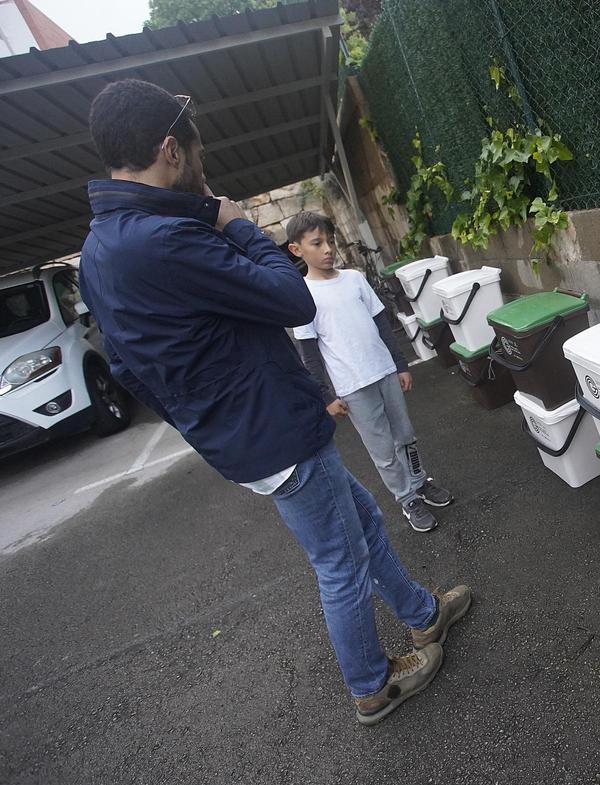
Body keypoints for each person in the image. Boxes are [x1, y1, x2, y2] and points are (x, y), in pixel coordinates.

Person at [78, 78, 471, 726]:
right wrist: (234, 222)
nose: (203, 169)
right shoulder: (165, 238)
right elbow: (292, 299)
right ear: (171, 151)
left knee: (362, 521)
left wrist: (206, 424)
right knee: (340, 562)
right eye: (198, 155)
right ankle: (373, 685)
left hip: (252, 434)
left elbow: (124, 368)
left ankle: (424, 615)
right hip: (274, 430)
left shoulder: (99, 250)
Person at [286, 211, 452, 533]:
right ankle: (407, 499)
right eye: (317, 243)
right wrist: (326, 396)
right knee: (383, 450)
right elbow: (309, 355)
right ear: (296, 249)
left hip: (385, 372)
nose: (328, 249)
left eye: (330, 241)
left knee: (406, 436)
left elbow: (382, 325)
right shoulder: (302, 296)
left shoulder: (355, 279)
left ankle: (419, 483)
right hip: (353, 387)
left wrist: (400, 365)